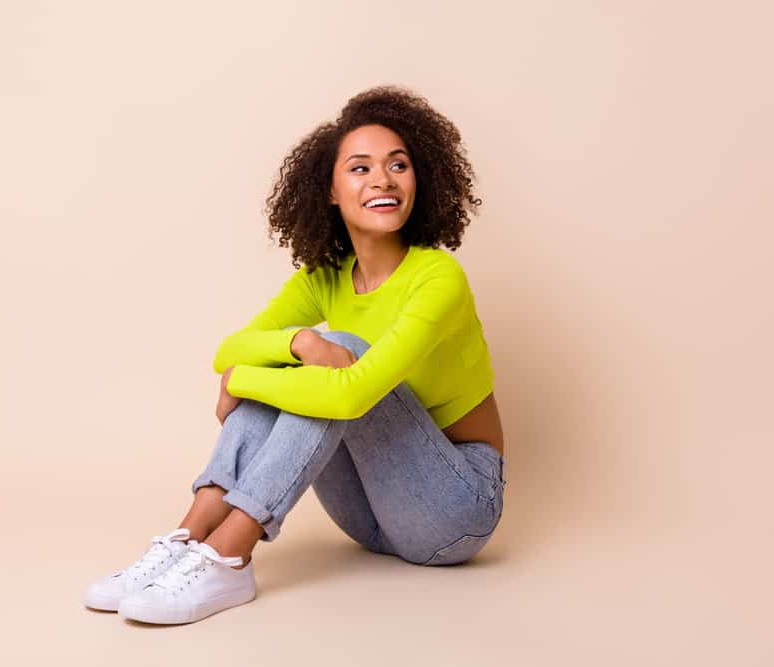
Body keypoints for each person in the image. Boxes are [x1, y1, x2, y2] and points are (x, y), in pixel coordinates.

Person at [85, 85, 508, 625]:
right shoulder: (324, 279)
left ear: (418, 179)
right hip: (370, 517)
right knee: (298, 359)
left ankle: (231, 553)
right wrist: (297, 344)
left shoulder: (437, 276)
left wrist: (245, 381)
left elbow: (353, 392)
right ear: (329, 191)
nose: (382, 179)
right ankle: (188, 537)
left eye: (398, 165)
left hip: (456, 509)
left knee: (346, 356)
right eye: (360, 168)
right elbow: (229, 350)